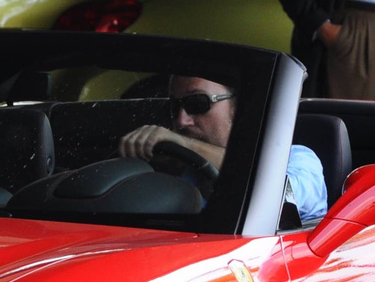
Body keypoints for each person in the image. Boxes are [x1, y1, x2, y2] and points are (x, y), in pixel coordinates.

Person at [117, 74, 328, 221]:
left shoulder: (296, 159)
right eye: (174, 107)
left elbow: (279, 194)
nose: (182, 121)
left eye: (198, 103)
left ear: (239, 106)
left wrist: (186, 144)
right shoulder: (179, 172)